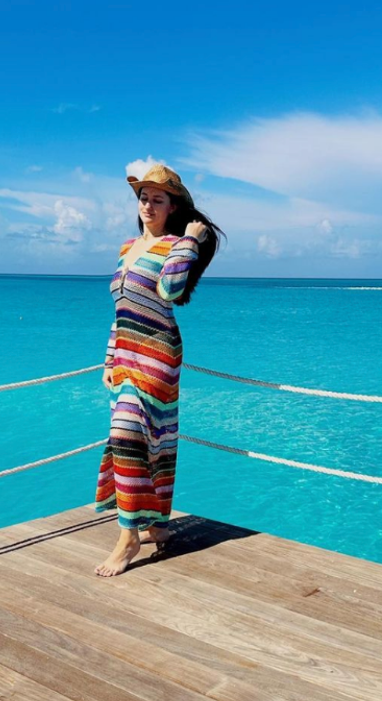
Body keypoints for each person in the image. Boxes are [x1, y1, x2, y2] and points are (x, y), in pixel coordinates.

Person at [94, 164, 224, 578]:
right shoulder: (126, 247)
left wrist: (190, 241)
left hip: (157, 355)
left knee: (127, 437)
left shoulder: (174, 245)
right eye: (143, 198)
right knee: (149, 442)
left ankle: (128, 537)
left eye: (157, 199)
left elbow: (169, 290)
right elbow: (121, 309)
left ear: (172, 207)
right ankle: (156, 524)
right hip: (126, 356)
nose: (147, 205)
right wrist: (110, 358)